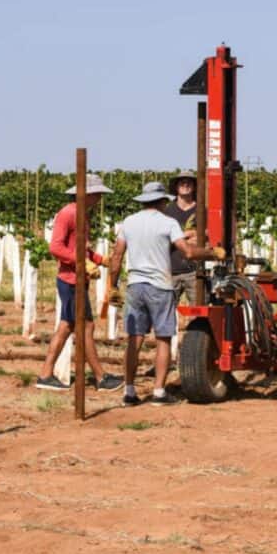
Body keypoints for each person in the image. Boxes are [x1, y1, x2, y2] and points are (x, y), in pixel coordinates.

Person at [109, 181, 223, 407]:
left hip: (135, 285)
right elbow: (188, 252)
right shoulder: (168, 223)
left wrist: (113, 285)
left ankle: (129, 392)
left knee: (135, 338)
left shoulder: (129, 223)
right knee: (163, 339)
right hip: (160, 286)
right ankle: (159, 392)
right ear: (162, 201)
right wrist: (212, 254)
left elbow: (116, 255)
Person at [36, 173, 124, 392]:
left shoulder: (82, 214)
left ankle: (46, 374)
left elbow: (80, 248)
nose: (100, 199)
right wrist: (82, 262)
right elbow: (55, 247)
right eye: (98, 194)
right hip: (70, 280)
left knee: (67, 326)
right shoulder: (68, 214)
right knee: (87, 327)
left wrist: (98, 259)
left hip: (76, 280)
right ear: (87, 194)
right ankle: (101, 378)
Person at [165, 170, 198, 306]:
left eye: (189, 182)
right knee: (165, 311)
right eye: (182, 182)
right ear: (176, 187)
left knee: (200, 311)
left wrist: (197, 234)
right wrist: (181, 238)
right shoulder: (167, 210)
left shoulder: (202, 210)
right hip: (170, 270)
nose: (186, 185)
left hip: (195, 271)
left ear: (194, 187)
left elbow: (211, 231)